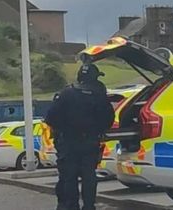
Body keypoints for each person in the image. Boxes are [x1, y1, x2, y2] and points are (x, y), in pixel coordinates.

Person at [45, 64, 115, 210]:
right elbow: (109, 118)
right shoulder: (99, 95)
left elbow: (50, 118)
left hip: (68, 142)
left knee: (68, 177)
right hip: (90, 141)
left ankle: (70, 206)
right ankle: (89, 206)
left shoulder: (65, 94)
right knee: (89, 176)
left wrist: (64, 128)